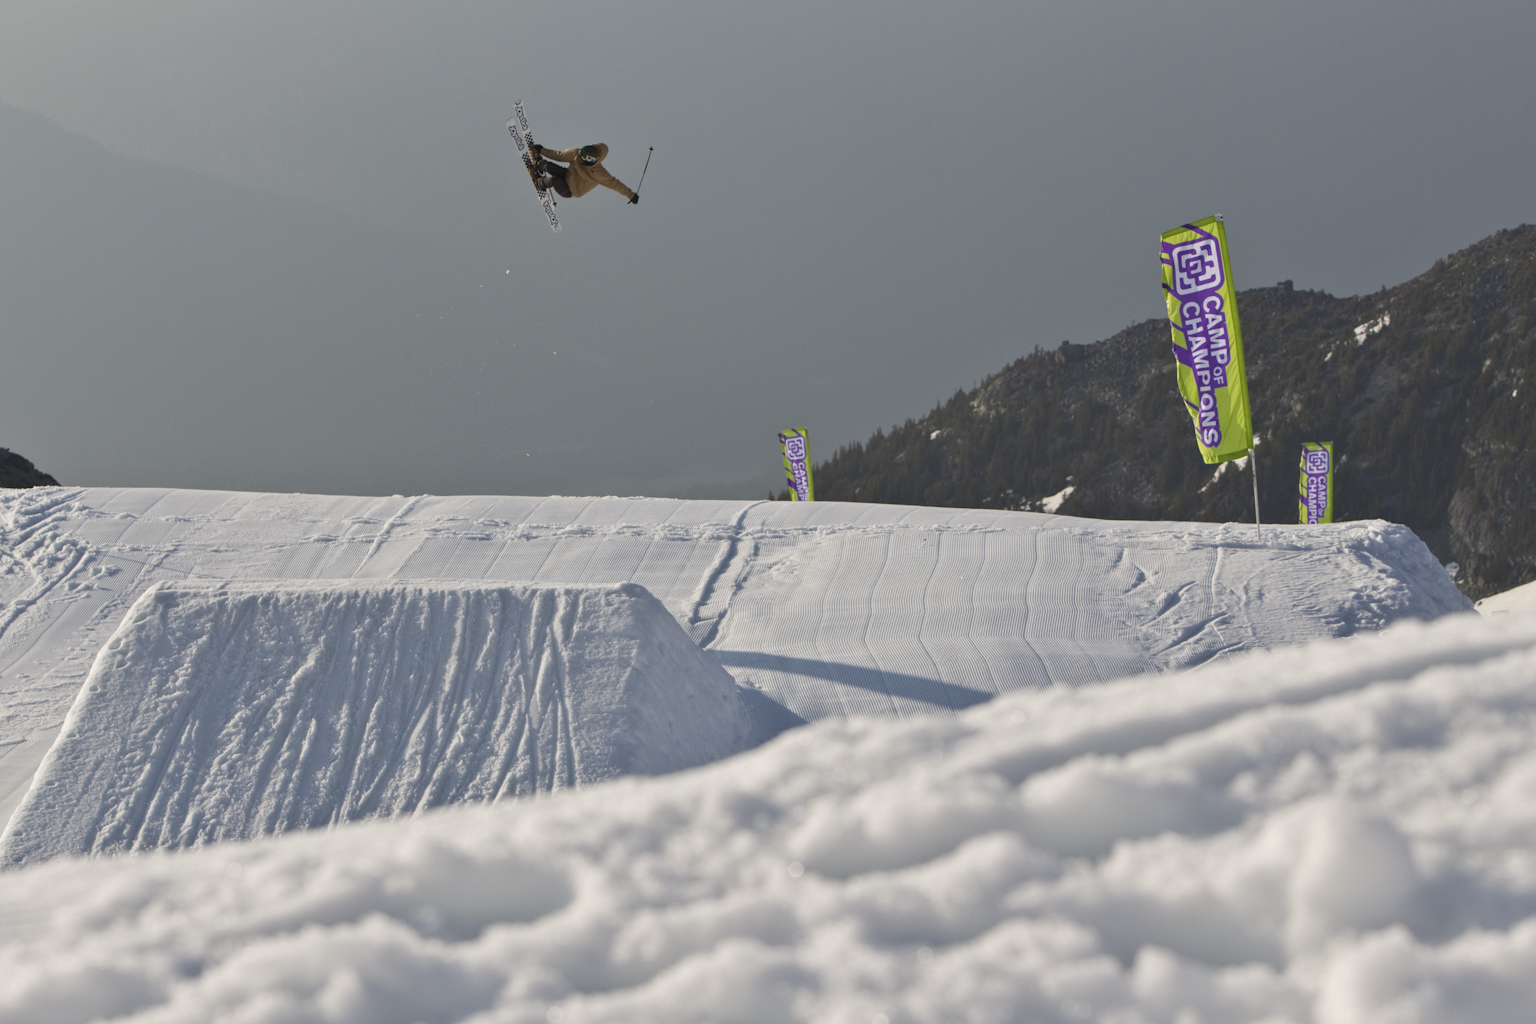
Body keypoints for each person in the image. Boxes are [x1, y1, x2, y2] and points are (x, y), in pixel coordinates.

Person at [530, 143, 639, 204]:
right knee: (549, 166)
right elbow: (559, 155)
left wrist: (631, 195)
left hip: (572, 190)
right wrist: (542, 150)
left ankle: (539, 182)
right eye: (580, 156)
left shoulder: (599, 174)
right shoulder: (576, 154)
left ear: (589, 162)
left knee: (555, 180)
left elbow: (616, 185)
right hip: (568, 175)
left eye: (582, 160)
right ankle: (539, 163)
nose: (579, 159)